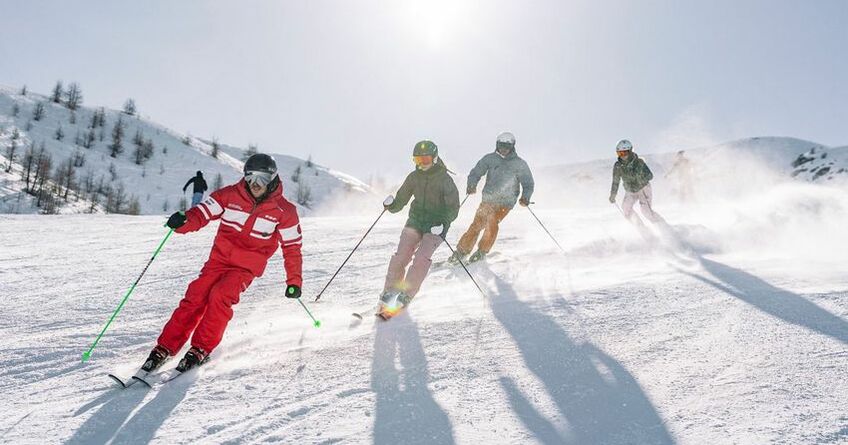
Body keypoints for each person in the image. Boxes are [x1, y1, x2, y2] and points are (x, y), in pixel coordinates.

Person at [140, 154, 303, 373]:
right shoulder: (229, 195)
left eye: (262, 178)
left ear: (273, 178)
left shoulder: (285, 211)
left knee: (220, 295)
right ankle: (165, 347)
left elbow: (292, 248)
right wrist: (183, 221)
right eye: (250, 177)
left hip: (245, 268)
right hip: (218, 261)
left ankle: (200, 348)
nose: (255, 184)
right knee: (196, 295)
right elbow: (201, 214)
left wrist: (294, 282)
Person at [380, 140, 460, 319]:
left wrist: (443, 222)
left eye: (426, 159)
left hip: (436, 226)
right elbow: (401, 199)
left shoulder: (444, 179)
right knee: (401, 256)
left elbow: (453, 207)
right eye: (418, 160)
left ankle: (406, 294)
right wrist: (392, 206)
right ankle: (390, 291)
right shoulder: (413, 177)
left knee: (421, 258)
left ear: (434, 158)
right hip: (415, 222)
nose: (422, 163)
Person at [448, 131, 534, 264]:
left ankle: (481, 252)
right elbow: (475, 172)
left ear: (512, 147)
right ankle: (462, 251)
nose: (503, 149)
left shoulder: (519, 164)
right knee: (476, 225)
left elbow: (528, 183)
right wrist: (472, 184)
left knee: (491, 222)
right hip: (488, 200)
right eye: (501, 146)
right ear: (497, 145)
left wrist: (525, 197)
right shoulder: (490, 159)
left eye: (507, 147)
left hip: (505, 203)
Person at [609, 139, 666, 226]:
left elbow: (650, 175)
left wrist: (640, 179)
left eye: (625, 153)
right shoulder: (618, 166)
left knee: (646, 211)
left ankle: (662, 225)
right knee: (626, 208)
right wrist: (613, 194)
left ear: (630, 151)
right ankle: (640, 228)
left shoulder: (639, 162)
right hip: (630, 190)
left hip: (643, 188)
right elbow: (615, 181)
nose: (623, 156)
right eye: (620, 153)